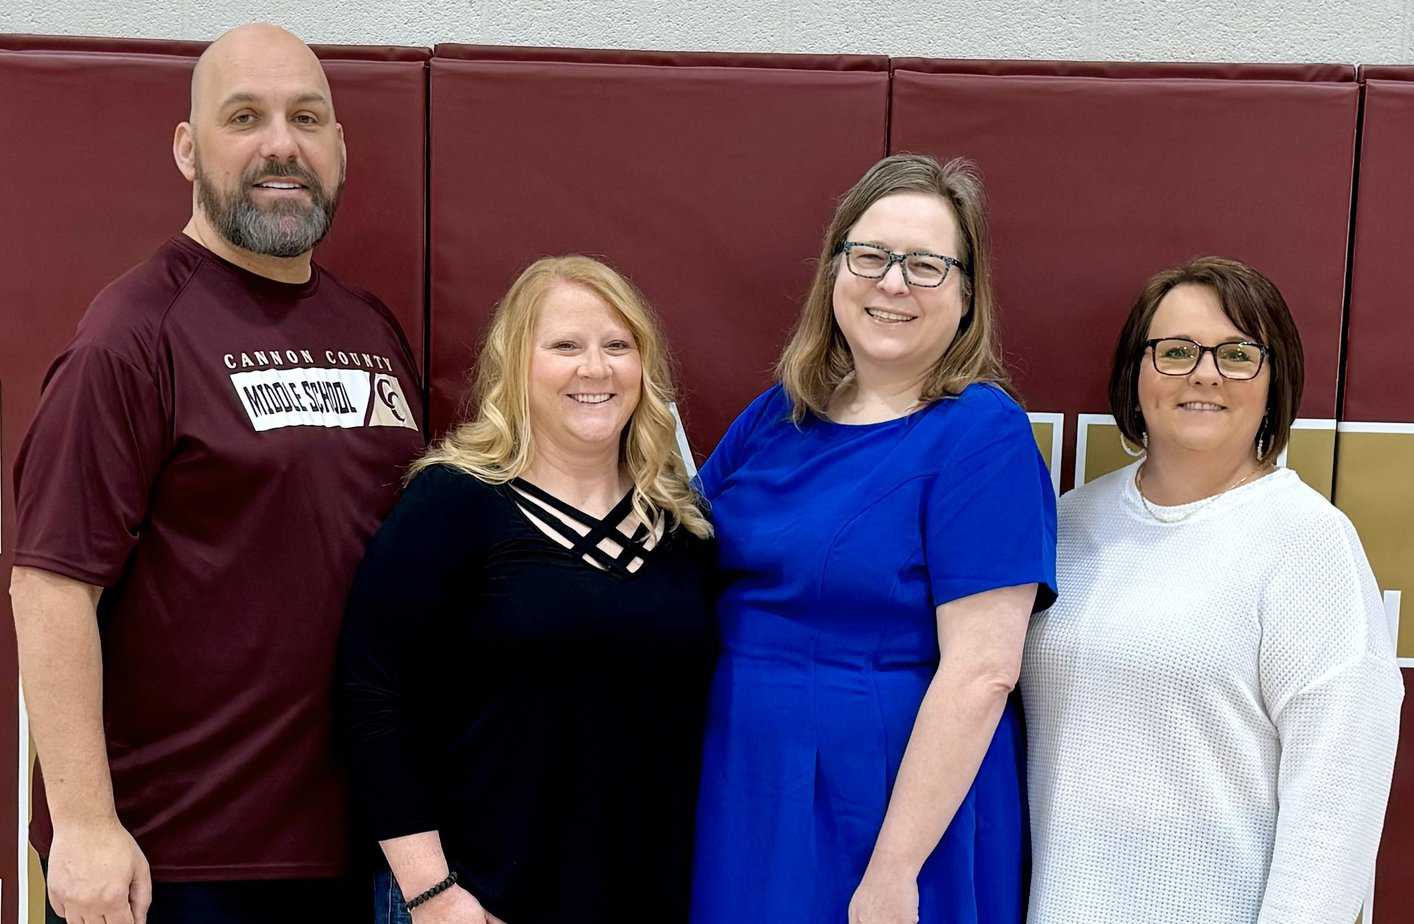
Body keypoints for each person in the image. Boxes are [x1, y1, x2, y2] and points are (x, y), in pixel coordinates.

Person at [8, 23, 424, 924]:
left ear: (340, 148)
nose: (282, 143)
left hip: (359, 845)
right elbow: (49, 586)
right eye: (246, 117)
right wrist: (83, 825)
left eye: (306, 117)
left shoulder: (372, 331)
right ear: (189, 149)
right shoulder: (133, 333)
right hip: (179, 857)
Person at [689, 154, 1057, 924]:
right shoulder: (776, 417)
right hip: (747, 780)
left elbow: (983, 670)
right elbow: (672, 552)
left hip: (887, 806)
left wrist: (895, 871)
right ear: (834, 272)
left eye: (926, 265)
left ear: (965, 295)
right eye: (871, 256)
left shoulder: (981, 434)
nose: (892, 283)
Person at [1020, 256, 1403, 923]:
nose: (1204, 374)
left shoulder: (1309, 544)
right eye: (1175, 351)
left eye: (1236, 354)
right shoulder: (1071, 526)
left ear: (1273, 378)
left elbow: (1334, 818)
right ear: (1135, 374)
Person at [339, 255, 716, 924]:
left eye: (617, 346)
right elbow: (371, 693)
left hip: (647, 897)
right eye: (565, 346)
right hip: (478, 903)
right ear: (518, 365)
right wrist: (429, 893)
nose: (595, 369)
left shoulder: (685, 524)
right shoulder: (452, 502)